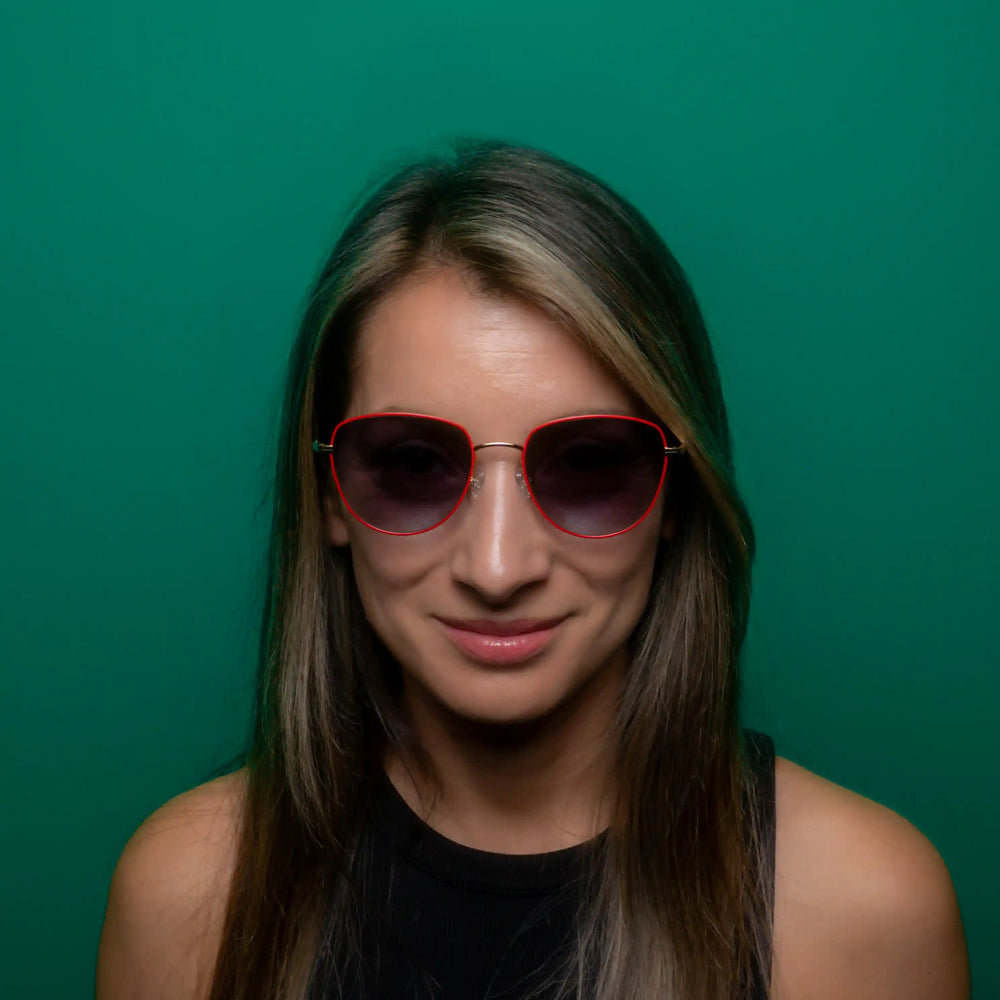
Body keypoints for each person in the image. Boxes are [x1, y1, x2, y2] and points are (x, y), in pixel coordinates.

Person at [95, 139, 970, 1000]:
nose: (498, 567)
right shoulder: (190, 895)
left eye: (588, 465)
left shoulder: (862, 913)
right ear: (326, 493)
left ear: (677, 493)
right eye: (413, 466)